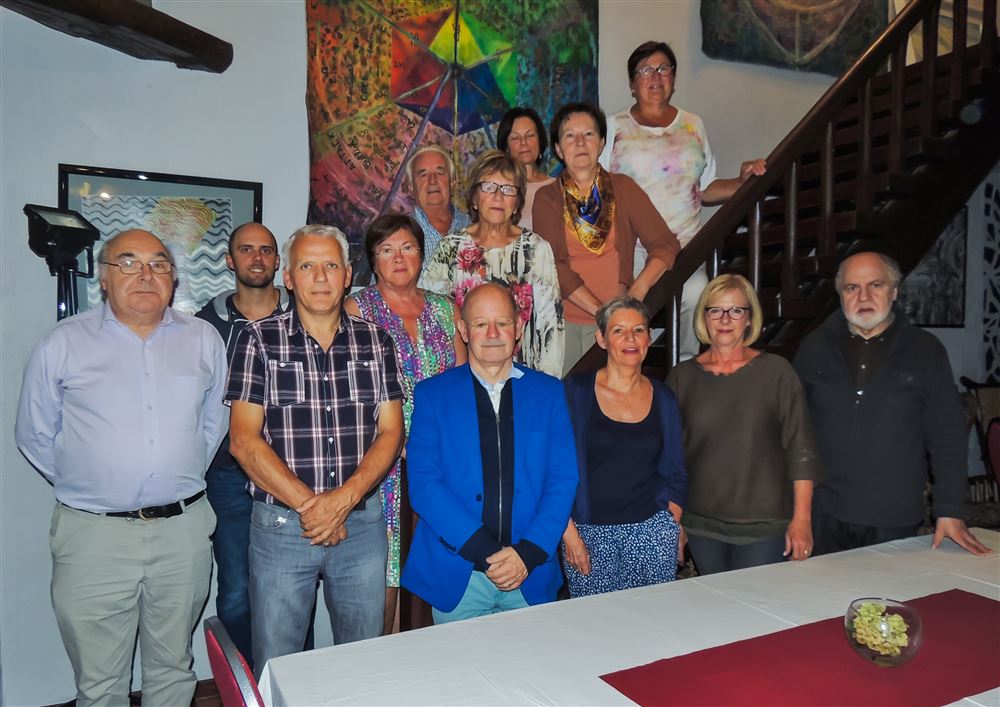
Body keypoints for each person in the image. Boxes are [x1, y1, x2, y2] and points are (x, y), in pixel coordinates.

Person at [15, 229, 227, 706]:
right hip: (95, 536)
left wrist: (174, 473)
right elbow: (34, 434)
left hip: (183, 532)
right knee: (100, 682)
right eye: (128, 263)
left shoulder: (203, 340)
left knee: (173, 669)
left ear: (174, 278)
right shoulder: (63, 343)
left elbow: (213, 423)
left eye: (159, 264)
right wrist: (94, 483)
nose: (145, 275)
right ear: (104, 278)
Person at [227, 225, 405, 672]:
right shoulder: (257, 339)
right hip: (282, 526)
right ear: (289, 277)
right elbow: (243, 441)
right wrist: (315, 509)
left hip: (360, 525)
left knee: (363, 662)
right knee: (280, 664)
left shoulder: (376, 341)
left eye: (330, 266)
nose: (320, 277)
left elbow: (390, 432)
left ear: (347, 275)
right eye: (307, 266)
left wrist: (342, 502)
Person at [794, 252, 991, 556]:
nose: (863, 297)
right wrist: (796, 510)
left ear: (895, 291)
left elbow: (947, 434)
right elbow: (793, 431)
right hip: (821, 515)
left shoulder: (926, 350)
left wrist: (950, 509)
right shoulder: (814, 347)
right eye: (852, 288)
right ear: (840, 295)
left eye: (875, 285)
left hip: (894, 518)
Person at [401, 283, 578, 623]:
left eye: (503, 323)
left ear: (519, 328)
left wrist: (528, 553)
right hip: (460, 574)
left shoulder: (549, 394)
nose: (493, 333)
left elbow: (562, 479)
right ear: (463, 330)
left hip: (531, 573)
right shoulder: (433, 395)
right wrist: (484, 552)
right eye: (481, 324)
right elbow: (424, 485)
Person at [600, 41, 766, 361]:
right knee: (629, 315)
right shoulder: (614, 126)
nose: (655, 76)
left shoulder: (693, 124)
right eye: (645, 70)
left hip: (685, 248)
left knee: (694, 293)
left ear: (673, 79)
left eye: (663, 68)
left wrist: (742, 182)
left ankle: (684, 367)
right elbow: (597, 189)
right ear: (632, 84)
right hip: (632, 250)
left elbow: (705, 189)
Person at [345, 213, 466, 634]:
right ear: (373, 260)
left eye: (408, 247)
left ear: (421, 254)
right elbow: (350, 391)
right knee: (383, 577)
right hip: (382, 464)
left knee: (431, 571)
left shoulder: (445, 309)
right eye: (387, 250)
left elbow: (461, 386)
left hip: (439, 463)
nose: (398, 258)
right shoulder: (357, 309)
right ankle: (382, 660)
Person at [666, 274, 820, 574]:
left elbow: (801, 451)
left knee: (757, 602)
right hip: (701, 524)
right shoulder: (681, 377)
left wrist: (802, 520)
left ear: (749, 318)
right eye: (715, 310)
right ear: (704, 317)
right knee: (716, 601)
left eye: (736, 310)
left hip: (765, 526)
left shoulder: (777, 372)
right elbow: (671, 458)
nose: (725, 319)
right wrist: (674, 522)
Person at [195, 222, 292, 667]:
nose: (257, 258)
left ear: (277, 260)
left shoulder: (304, 313)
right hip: (229, 476)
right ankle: (247, 686)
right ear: (229, 260)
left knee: (292, 586)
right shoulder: (205, 325)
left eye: (266, 250)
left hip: (291, 472)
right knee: (236, 589)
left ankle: (292, 685)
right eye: (247, 250)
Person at [532, 101, 681, 375]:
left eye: (588, 134)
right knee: (566, 399)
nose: (580, 142)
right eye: (570, 135)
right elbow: (553, 265)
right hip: (564, 323)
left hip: (618, 324)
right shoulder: (547, 198)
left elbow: (665, 244)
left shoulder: (624, 188)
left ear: (601, 143)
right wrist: (603, 312)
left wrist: (637, 292)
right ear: (558, 149)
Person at [562, 297, 687, 597]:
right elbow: (552, 469)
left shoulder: (664, 397)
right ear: (602, 339)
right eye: (618, 330)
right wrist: (569, 535)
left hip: (651, 532)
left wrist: (669, 526)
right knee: (594, 622)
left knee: (652, 621)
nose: (630, 338)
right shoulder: (574, 393)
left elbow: (677, 471)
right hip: (588, 535)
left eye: (639, 330)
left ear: (648, 338)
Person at [421, 150, 564, 377]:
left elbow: (550, 326)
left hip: (523, 374)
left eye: (508, 189)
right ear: (474, 198)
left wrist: (546, 383)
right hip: (463, 374)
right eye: (488, 187)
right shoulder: (451, 247)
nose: (498, 196)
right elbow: (430, 317)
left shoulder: (535, 249)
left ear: (517, 203)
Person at [406, 144, 470, 271]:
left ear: (452, 183)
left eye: (440, 173)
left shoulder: (473, 226)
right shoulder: (398, 234)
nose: (432, 181)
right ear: (411, 188)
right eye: (423, 175)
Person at [496, 107, 555, 230]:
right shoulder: (498, 191)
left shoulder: (558, 187)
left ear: (540, 141)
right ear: (506, 147)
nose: (523, 142)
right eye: (515, 138)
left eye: (530, 135)